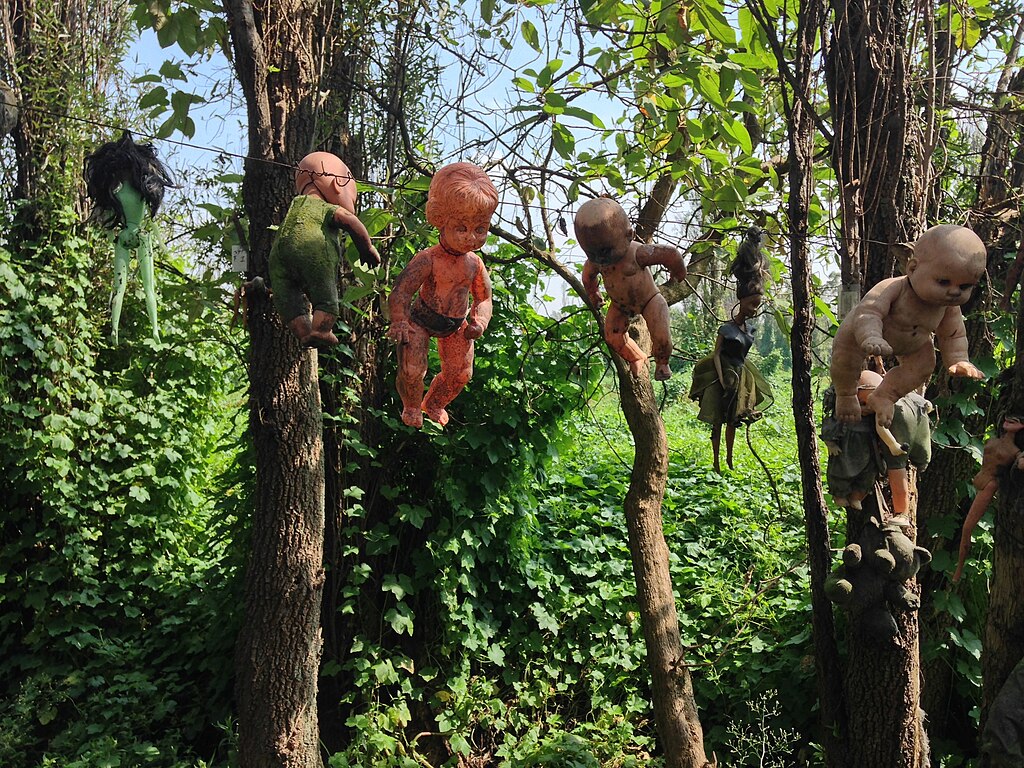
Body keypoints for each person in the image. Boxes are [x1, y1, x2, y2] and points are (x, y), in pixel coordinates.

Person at [830, 224, 987, 427]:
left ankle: (885, 395)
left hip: (914, 343)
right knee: (845, 360)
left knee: (923, 366)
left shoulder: (948, 306)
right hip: (862, 334)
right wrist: (871, 336)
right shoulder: (894, 287)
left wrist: (958, 360)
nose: (954, 292)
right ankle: (845, 395)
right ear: (913, 268)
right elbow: (868, 312)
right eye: (943, 282)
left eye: (964, 286)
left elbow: (953, 336)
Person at [387, 162, 498, 428]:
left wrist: (479, 321)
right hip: (421, 319)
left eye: (480, 229)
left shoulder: (474, 264)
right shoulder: (428, 259)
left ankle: (434, 402)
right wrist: (400, 320)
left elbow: (484, 297)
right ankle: (412, 405)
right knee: (413, 370)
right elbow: (402, 291)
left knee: (460, 374)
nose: (471, 237)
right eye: (461, 228)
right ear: (440, 219)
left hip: (456, 324)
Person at [269, 151, 381, 347]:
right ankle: (321, 330)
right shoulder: (323, 208)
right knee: (324, 290)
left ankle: (303, 332)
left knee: (288, 298)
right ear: (338, 184)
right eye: (352, 198)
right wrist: (367, 248)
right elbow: (349, 220)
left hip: (278, 255)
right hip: (312, 248)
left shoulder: (294, 208)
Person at [575, 197, 688, 380]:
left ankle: (662, 362)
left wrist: (678, 270)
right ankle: (636, 357)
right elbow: (588, 278)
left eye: (605, 252)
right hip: (620, 305)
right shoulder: (595, 262)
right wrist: (593, 294)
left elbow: (670, 254)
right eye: (592, 254)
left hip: (650, 300)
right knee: (612, 336)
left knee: (661, 336)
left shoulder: (638, 253)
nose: (600, 259)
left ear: (629, 235)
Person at [84, 132, 176, 344]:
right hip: (137, 235)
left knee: (128, 286)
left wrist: (111, 237)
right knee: (138, 286)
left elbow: (108, 217)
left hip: (126, 235)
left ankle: (127, 328)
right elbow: (150, 223)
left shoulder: (122, 192)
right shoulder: (140, 192)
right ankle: (142, 328)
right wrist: (162, 246)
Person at [820, 369, 932, 515]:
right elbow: (830, 425)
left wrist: (893, 445)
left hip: (869, 449)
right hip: (847, 448)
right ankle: (840, 493)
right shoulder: (844, 413)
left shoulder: (883, 408)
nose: (867, 409)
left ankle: (857, 496)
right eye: (862, 403)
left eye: (870, 404)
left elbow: (882, 430)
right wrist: (831, 442)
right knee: (841, 470)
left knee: (868, 474)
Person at [689, 293, 773, 473]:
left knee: (733, 419)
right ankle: (715, 461)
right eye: (752, 304)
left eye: (757, 305)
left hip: (740, 375)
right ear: (742, 301)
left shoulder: (750, 331)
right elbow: (717, 353)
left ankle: (729, 458)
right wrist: (720, 378)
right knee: (717, 419)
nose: (754, 309)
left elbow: (743, 355)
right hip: (723, 375)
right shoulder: (726, 329)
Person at [953, 416, 1024, 582]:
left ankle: (958, 571)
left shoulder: (1014, 451)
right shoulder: (993, 439)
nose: (1010, 421)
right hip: (979, 479)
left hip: (989, 485)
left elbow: (1020, 465)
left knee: (967, 528)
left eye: (1017, 421)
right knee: (964, 526)